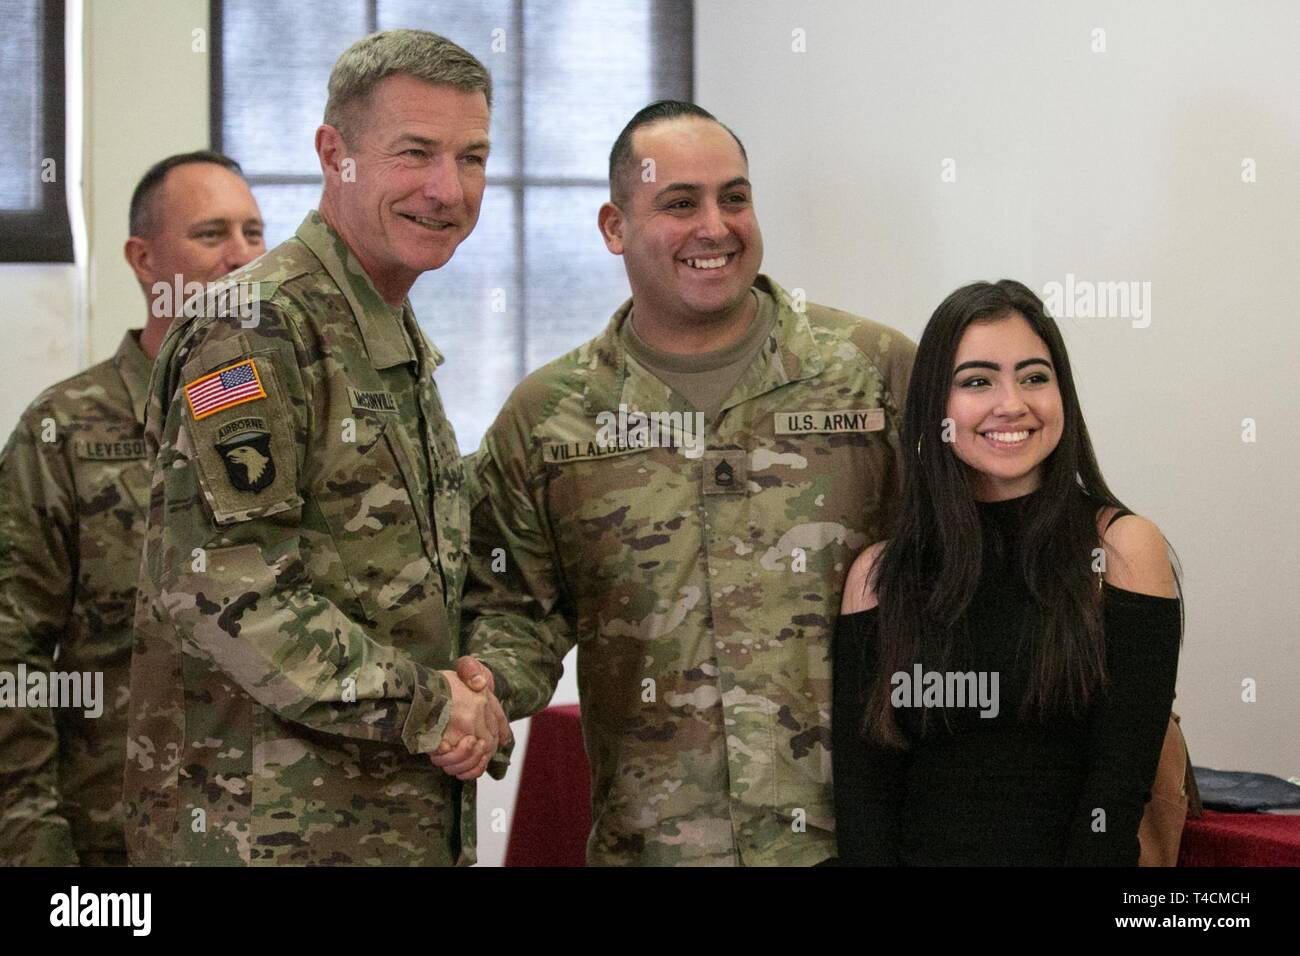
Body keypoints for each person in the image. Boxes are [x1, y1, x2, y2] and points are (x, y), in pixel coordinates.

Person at [446, 101, 916, 865]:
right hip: (657, 846)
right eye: (679, 203)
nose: (715, 226)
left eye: (735, 197)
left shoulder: (874, 372)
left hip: (860, 841)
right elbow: (510, 607)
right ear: (613, 227)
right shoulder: (552, 418)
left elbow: (971, 560)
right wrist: (483, 686)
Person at [124, 29, 510, 866]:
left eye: (472, 157)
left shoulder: (383, 329)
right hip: (265, 837)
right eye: (416, 153)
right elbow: (230, 595)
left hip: (385, 830)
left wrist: (477, 688)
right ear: (335, 154)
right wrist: (432, 706)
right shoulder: (255, 325)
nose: (448, 189)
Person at [832, 279, 1181, 865]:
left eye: (1034, 376)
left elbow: (1115, 790)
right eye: (977, 380)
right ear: (935, 408)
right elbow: (866, 803)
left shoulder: (1123, 549)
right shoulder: (880, 576)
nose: (1012, 403)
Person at [0, 151, 265, 865]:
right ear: (144, 259)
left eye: (253, 233)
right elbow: (11, 659)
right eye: (212, 235)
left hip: (278, 836)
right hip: (114, 843)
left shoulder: (286, 428)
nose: (239, 257)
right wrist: (33, 849)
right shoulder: (66, 431)